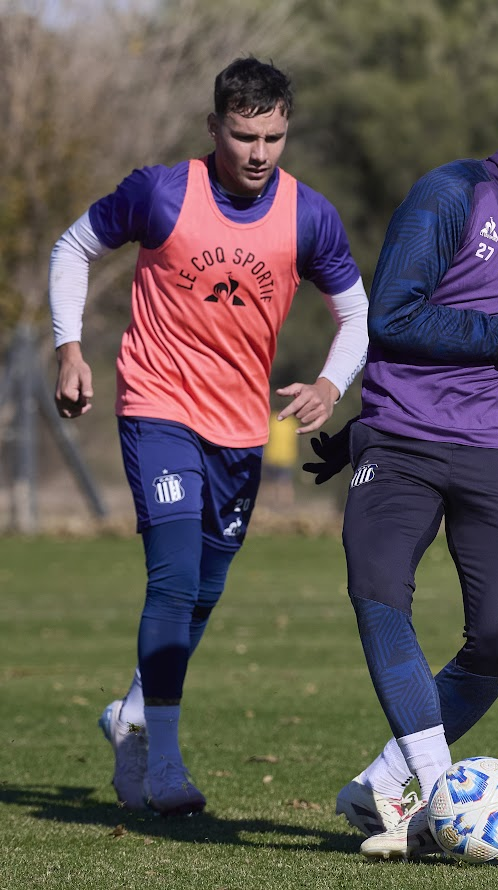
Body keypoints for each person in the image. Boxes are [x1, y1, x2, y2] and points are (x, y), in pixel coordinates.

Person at [304, 67, 498, 858]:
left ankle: (384, 781)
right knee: (378, 590)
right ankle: (437, 793)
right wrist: (360, 433)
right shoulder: (449, 194)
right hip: (404, 441)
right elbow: (396, 317)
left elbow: (477, 349)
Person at [48, 56, 368, 816]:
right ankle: (163, 760)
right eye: (243, 135)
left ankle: (130, 714)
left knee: (207, 591)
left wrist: (330, 385)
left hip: (239, 427)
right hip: (157, 405)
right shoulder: (161, 193)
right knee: (175, 577)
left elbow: (356, 314)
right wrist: (69, 347)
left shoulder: (308, 216)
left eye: (274, 137)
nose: (258, 153)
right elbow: (72, 246)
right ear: (213, 127)